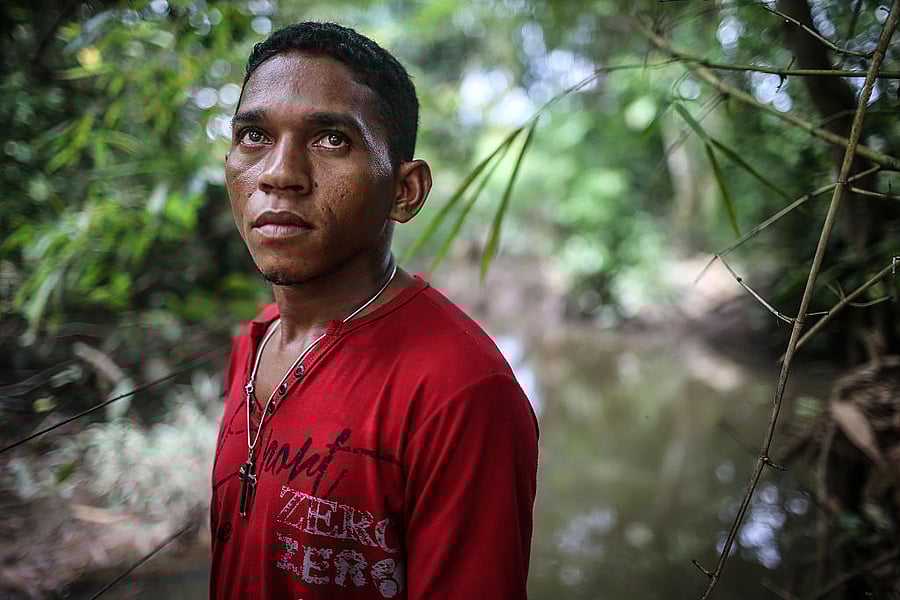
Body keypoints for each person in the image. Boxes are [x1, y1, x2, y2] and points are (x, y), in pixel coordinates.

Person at [209, 21, 539, 600]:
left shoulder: (461, 391)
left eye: (332, 139)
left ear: (404, 191)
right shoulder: (256, 341)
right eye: (255, 135)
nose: (279, 174)